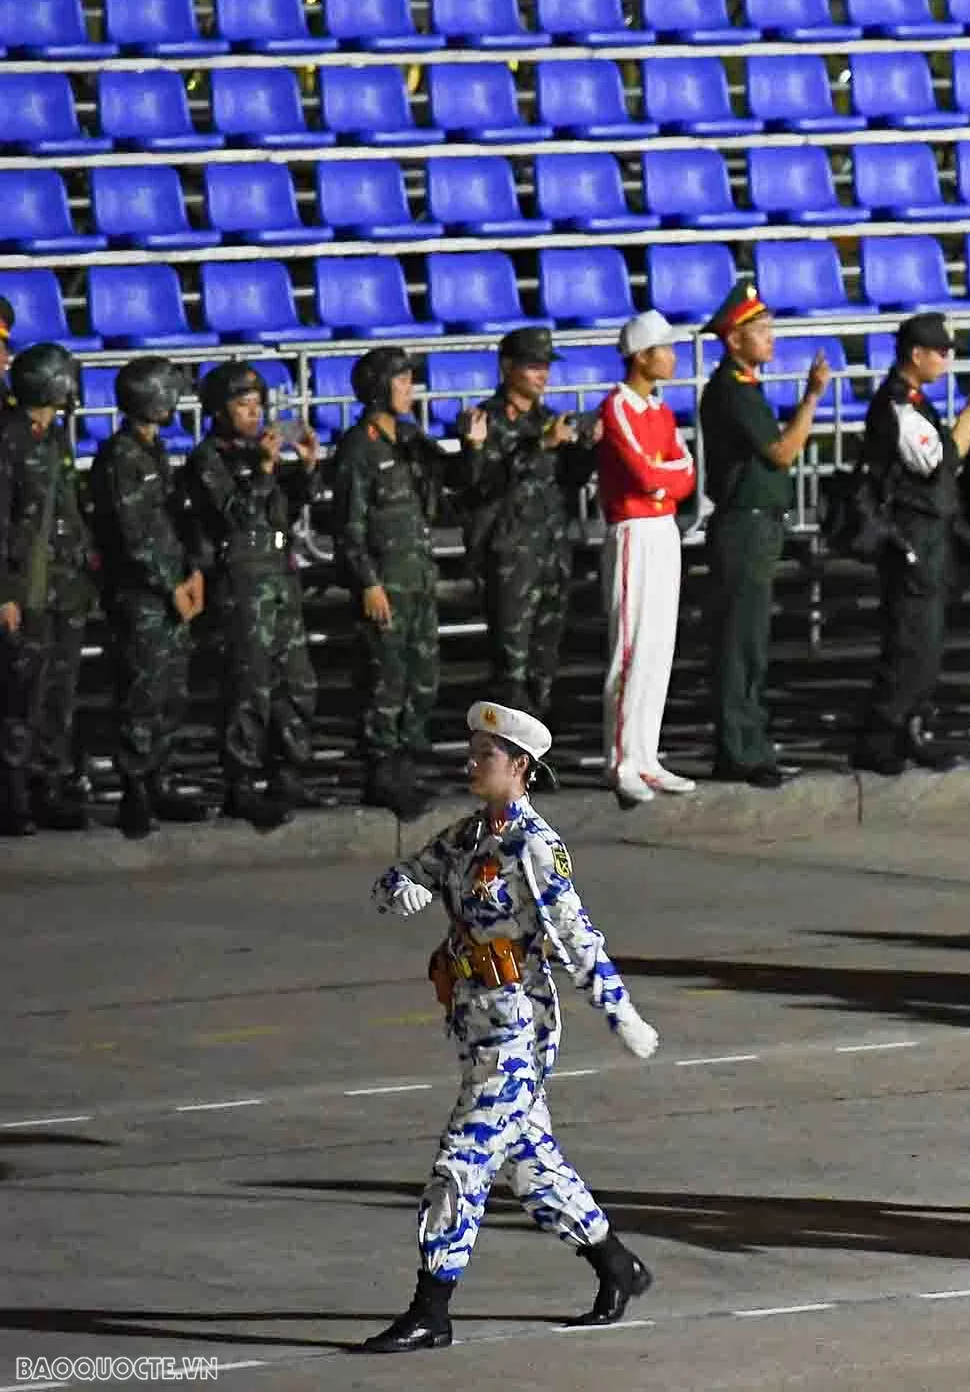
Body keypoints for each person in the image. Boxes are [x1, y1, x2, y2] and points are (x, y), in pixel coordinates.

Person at [360, 701, 660, 1353]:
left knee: (462, 1161)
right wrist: (402, 892)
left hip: (517, 1030)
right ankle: (618, 1266)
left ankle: (430, 1309)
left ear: (519, 766)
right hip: (472, 1022)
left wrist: (621, 1014)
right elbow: (399, 876)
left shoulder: (536, 847)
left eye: (484, 755)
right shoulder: (466, 837)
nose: (471, 762)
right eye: (471, 751)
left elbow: (577, 939)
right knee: (530, 1166)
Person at [331, 346, 479, 818]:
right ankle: (382, 771)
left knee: (421, 678)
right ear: (378, 386)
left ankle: (408, 764)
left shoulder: (411, 438)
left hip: (418, 579)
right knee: (384, 680)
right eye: (400, 380)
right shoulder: (359, 448)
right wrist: (367, 582)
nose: (410, 388)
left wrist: (470, 445)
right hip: (386, 584)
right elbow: (348, 526)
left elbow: (452, 483)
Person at [698, 280, 830, 788]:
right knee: (739, 641)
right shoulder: (732, 389)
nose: (770, 337)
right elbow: (780, 452)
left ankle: (751, 741)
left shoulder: (744, 386)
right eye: (759, 329)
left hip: (759, 524)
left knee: (751, 640)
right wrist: (813, 399)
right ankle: (738, 747)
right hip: (744, 524)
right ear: (734, 339)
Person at [182, 360, 321, 827]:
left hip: (279, 578)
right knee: (249, 686)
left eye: (257, 405)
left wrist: (304, 471)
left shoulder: (257, 454)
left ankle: (289, 775)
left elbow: (283, 512)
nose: (252, 414)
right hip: (241, 581)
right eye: (242, 405)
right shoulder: (208, 459)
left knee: (296, 683)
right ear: (219, 410)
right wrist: (264, 469)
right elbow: (234, 515)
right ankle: (240, 783)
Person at [856, 312, 970, 774]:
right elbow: (937, 460)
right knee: (909, 639)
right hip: (909, 535)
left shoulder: (916, 401)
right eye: (940, 351)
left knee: (926, 641)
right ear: (916, 356)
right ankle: (880, 736)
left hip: (930, 535)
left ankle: (910, 728)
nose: (947, 359)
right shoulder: (898, 404)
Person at [89, 357, 203, 836]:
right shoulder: (121, 458)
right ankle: (135, 790)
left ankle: (160, 778)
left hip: (170, 591)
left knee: (170, 691)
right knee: (141, 691)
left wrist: (192, 572)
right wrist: (170, 585)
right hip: (142, 597)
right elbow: (135, 537)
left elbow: (173, 522)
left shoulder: (152, 452)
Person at [460, 327, 587, 720]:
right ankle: (508, 766)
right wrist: (540, 446)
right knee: (509, 671)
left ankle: (534, 760)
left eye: (545, 366)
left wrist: (587, 451)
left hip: (550, 555)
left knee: (543, 666)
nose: (542, 375)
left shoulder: (549, 420)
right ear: (507, 367)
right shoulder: (485, 420)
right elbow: (480, 485)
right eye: (533, 366)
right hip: (510, 560)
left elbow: (568, 481)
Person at [598, 311, 695, 806]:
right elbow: (643, 473)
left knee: (659, 643)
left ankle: (647, 754)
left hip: (663, 529)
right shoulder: (617, 408)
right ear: (641, 356)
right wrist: (661, 479)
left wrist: (663, 479)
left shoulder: (660, 411)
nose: (673, 357)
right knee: (632, 645)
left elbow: (684, 472)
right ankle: (621, 759)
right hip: (633, 530)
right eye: (665, 349)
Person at [0, 343, 91, 834]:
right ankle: (12, 796)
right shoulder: (10, 440)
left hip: (63, 585)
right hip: (28, 587)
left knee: (59, 690)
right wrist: (4, 592)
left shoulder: (53, 438)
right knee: (22, 695)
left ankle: (48, 788)